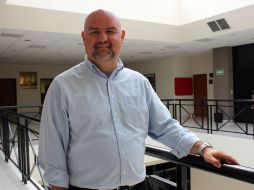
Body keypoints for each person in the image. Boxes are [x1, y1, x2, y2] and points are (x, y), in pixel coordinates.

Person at [38, 9, 239, 190]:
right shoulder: (62, 86)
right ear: (84, 37)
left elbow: (166, 127)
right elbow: (53, 154)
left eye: (110, 31)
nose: (103, 38)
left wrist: (203, 148)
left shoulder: (139, 83)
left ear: (122, 36)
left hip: (138, 187)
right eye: (94, 32)